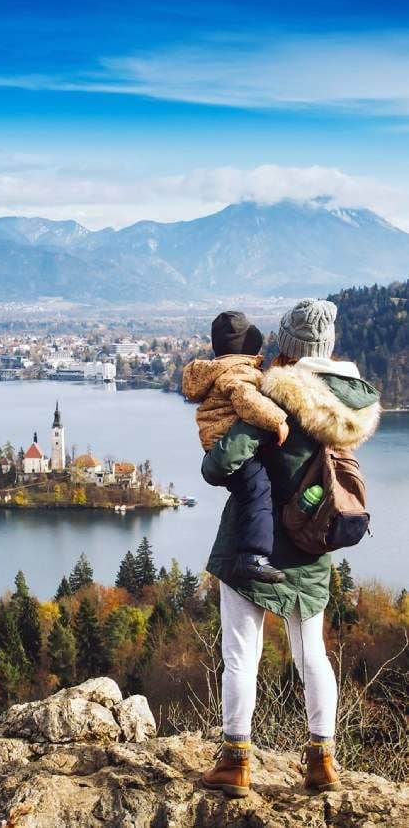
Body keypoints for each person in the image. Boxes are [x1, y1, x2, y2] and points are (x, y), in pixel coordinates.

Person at [200, 299, 380, 797]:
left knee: (240, 654)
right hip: (311, 546)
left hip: (250, 547)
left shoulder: (276, 396)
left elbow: (218, 467)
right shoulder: (347, 405)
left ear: (290, 344)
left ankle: (236, 762)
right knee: (312, 655)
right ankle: (322, 760)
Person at [182, 311, 289, 582]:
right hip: (231, 446)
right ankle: (253, 557)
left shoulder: (216, 370)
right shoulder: (237, 373)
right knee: (258, 490)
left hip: (217, 444)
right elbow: (248, 403)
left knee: (248, 492)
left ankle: (250, 553)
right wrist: (278, 421)